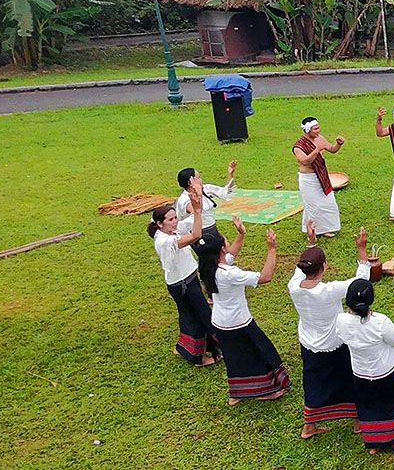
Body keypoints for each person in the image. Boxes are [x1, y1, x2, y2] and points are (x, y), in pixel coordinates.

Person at [288, 223, 371, 439]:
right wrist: (362, 250)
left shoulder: (294, 286)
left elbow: (300, 270)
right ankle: (357, 421)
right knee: (348, 378)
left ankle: (309, 426)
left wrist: (311, 242)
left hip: (308, 343)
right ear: (324, 266)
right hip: (334, 342)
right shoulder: (328, 290)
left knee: (313, 381)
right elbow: (360, 282)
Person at [193, 219, 288, 405]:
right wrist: (272, 249)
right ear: (221, 249)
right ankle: (266, 390)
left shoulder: (207, 267)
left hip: (220, 322)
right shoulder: (229, 274)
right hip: (239, 322)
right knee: (260, 353)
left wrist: (241, 234)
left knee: (234, 357)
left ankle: (236, 393)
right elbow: (265, 277)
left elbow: (232, 253)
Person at [336, 279, 394, 454]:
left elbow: (343, 337)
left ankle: (373, 442)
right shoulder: (379, 321)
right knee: (392, 404)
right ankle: (393, 438)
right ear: (370, 300)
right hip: (386, 372)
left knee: (368, 406)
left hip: (360, 373)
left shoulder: (341, 320)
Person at [149, 186, 218, 367]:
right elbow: (196, 234)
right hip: (183, 285)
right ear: (159, 224)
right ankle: (199, 356)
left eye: (175, 218)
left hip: (185, 281)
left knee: (188, 316)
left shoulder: (167, 231)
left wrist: (198, 208)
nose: (175, 222)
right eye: (170, 220)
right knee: (199, 316)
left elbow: (192, 224)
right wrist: (196, 210)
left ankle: (184, 348)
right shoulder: (166, 241)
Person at [294, 117, 343, 236]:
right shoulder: (298, 146)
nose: (318, 131)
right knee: (312, 206)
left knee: (328, 203)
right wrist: (316, 150)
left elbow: (331, 149)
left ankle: (325, 228)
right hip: (308, 179)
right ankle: (313, 230)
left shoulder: (320, 138)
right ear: (307, 130)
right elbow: (304, 161)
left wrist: (338, 144)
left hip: (321, 175)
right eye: (315, 129)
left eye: (318, 128)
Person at [174, 162, 235, 238]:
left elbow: (226, 192)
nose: (201, 179)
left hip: (211, 228)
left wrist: (230, 174)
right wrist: (199, 194)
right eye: (198, 178)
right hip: (195, 233)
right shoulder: (184, 200)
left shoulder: (206, 188)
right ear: (190, 182)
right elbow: (197, 211)